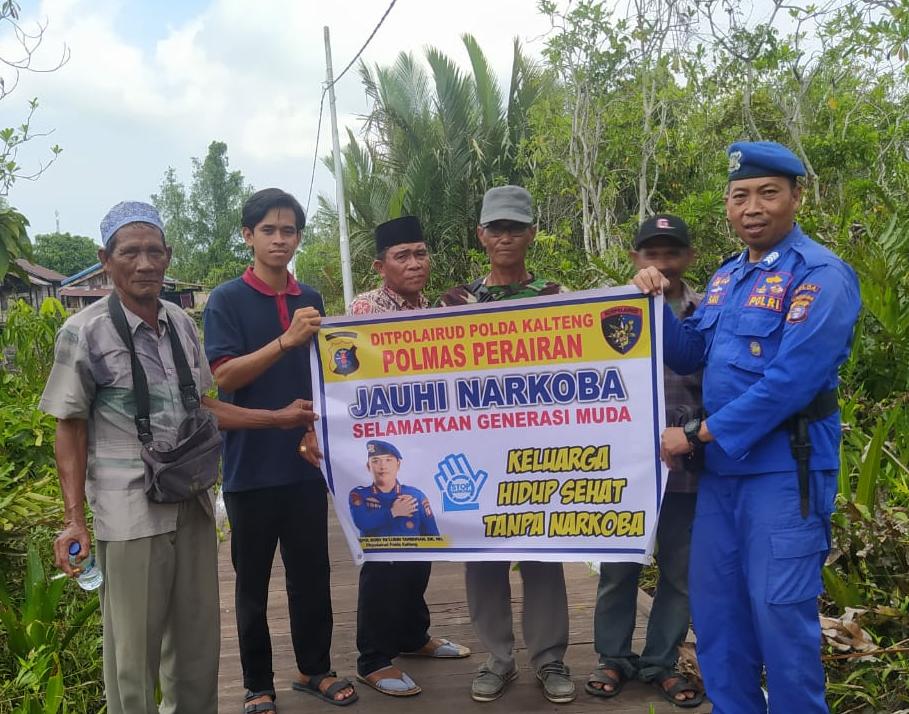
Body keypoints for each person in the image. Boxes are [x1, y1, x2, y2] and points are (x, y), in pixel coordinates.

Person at [40, 201, 319, 714]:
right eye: (130, 252)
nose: (144, 263)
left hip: (191, 502)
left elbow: (203, 406)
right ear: (105, 259)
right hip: (129, 513)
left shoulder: (180, 323)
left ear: (168, 256)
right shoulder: (85, 331)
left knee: (196, 648)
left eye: (154, 251)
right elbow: (70, 425)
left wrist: (277, 418)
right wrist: (74, 519)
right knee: (133, 657)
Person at [632, 142, 861, 714]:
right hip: (723, 478)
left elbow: (790, 383)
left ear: (796, 197)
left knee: (781, 619)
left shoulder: (820, 275)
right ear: (728, 206)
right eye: (740, 196)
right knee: (718, 618)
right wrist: (657, 298)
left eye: (767, 193)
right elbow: (689, 353)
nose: (752, 207)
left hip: (785, 472)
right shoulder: (728, 277)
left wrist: (696, 435)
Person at [203, 189, 357, 712]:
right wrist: (286, 340)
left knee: (312, 576)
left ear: (298, 238)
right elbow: (224, 376)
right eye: (268, 230)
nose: (278, 239)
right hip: (249, 467)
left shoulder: (309, 297)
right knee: (252, 585)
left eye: (288, 230)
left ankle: (316, 669)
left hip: (305, 465)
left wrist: (320, 432)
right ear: (247, 236)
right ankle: (257, 684)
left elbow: (325, 376)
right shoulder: (226, 300)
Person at [438, 185, 575, 705]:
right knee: (482, 556)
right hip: (475, 452)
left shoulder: (557, 297)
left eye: (516, 227)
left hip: (538, 450)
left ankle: (550, 658)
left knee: (543, 551)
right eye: (497, 228)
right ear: (481, 234)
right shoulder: (454, 302)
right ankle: (497, 658)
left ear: (532, 233)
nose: (506, 237)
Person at [337, 216, 469, 698]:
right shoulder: (367, 309)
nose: (415, 264)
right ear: (380, 266)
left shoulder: (431, 309)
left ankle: (413, 636)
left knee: (420, 545)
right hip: (383, 450)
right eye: (402, 256)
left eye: (420, 253)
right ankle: (373, 658)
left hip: (424, 446)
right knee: (385, 554)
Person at [587, 214, 704, 707]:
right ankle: (613, 657)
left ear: (689, 257)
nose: (662, 262)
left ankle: (660, 662)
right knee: (618, 569)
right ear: (635, 258)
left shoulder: (710, 310)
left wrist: (694, 438)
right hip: (625, 470)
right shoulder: (603, 311)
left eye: (672, 252)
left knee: (679, 573)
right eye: (652, 253)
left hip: (686, 466)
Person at [350, 440, 440, 538]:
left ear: (398, 464)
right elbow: (362, 523)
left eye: (388, 460)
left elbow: (434, 537)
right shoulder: (359, 495)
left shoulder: (416, 496)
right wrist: (393, 512)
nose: (383, 466)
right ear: (368, 466)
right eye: (375, 461)